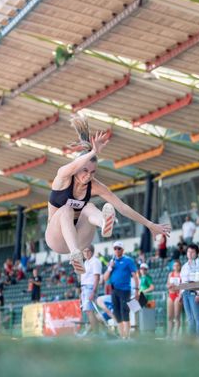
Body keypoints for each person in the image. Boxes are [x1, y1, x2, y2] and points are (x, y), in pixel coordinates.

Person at [46, 115, 170, 273]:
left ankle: (105, 224)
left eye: (92, 172)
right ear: (77, 168)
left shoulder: (95, 186)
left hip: (80, 237)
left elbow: (122, 207)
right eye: (85, 170)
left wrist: (150, 225)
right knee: (67, 209)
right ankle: (75, 254)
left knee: (89, 206)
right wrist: (93, 152)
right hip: (56, 238)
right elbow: (73, 165)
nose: (88, 175)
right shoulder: (63, 177)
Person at [103, 241, 139, 339]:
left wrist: (136, 290)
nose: (116, 250)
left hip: (125, 290)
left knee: (125, 312)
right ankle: (122, 336)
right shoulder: (112, 262)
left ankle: (127, 337)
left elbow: (135, 276)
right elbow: (105, 278)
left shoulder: (128, 260)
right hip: (114, 290)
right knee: (117, 314)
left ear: (122, 250)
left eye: (119, 248)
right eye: (115, 248)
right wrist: (110, 267)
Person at [179, 244, 199, 338]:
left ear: (196, 253)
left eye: (192, 252)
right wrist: (180, 294)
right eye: (188, 251)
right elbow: (182, 280)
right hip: (185, 292)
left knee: (197, 318)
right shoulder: (184, 266)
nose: (190, 253)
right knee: (190, 318)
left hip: (195, 292)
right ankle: (191, 340)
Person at [80, 245, 102, 335]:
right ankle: (97, 331)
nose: (85, 253)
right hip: (84, 288)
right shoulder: (86, 262)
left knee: (90, 311)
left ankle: (96, 333)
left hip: (90, 287)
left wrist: (93, 291)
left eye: (87, 251)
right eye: (84, 251)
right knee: (88, 311)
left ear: (92, 252)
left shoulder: (95, 261)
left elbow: (97, 278)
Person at [166, 260, 182, 338]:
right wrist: (169, 285)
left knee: (176, 316)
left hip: (178, 294)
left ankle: (175, 334)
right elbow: (167, 285)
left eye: (177, 265)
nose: (176, 267)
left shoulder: (181, 274)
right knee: (169, 316)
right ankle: (169, 334)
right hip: (171, 294)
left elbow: (183, 285)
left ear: (180, 266)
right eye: (174, 265)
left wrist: (178, 286)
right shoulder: (170, 274)